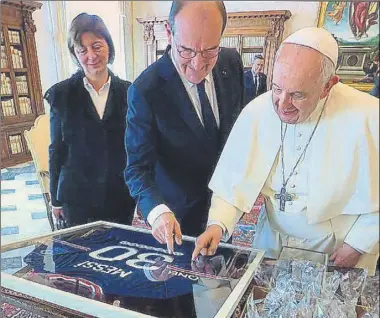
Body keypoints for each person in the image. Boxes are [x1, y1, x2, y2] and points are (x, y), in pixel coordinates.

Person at [193, 27, 379, 276]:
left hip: (335, 247)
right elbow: (232, 182)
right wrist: (218, 224)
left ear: (328, 86)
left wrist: (359, 243)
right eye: (277, 88)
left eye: (297, 95)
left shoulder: (368, 116)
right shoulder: (258, 110)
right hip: (271, 240)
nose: (281, 105)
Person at [125, 1, 245, 253]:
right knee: (179, 291)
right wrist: (158, 212)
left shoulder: (231, 64)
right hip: (175, 224)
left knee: (224, 286)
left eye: (210, 51)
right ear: (169, 33)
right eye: (187, 51)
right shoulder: (146, 90)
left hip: (223, 216)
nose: (198, 64)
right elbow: (137, 169)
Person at [45, 13, 135, 227]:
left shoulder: (131, 92)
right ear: (75, 54)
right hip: (77, 198)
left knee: (119, 253)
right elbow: (56, 149)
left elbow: (137, 147)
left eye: (96, 46)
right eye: (82, 50)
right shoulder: (61, 94)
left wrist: (141, 193)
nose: (91, 55)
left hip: (120, 194)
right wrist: (55, 200)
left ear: (108, 46)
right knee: (80, 254)